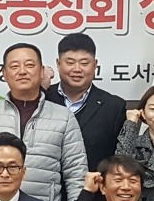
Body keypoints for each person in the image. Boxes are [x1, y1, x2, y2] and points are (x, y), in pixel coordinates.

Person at [0, 42, 88, 201]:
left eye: (29, 65)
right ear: (4, 74)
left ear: (42, 71)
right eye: (14, 66)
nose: (22, 71)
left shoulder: (63, 117)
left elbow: (77, 174)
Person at [45, 33, 125, 171]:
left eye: (84, 63)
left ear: (95, 65)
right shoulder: (42, 98)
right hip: (47, 183)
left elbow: (118, 159)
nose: (77, 69)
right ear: (58, 64)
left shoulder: (114, 107)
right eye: (70, 63)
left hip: (94, 183)